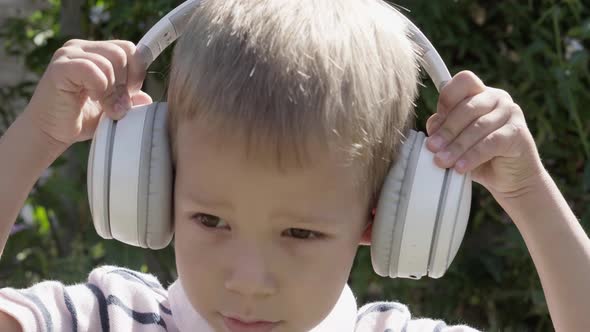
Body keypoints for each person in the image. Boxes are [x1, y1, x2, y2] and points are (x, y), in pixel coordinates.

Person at [0, 0, 589, 331]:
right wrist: (34, 139)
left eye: (300, 232)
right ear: (156, 188)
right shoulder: (103, 319)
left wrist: (529, 192)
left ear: (381, 219)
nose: (248, 281)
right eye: (210, 220)